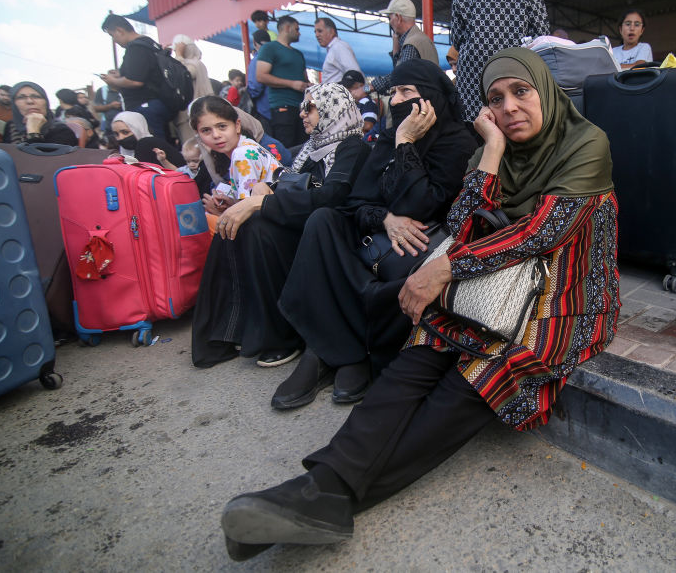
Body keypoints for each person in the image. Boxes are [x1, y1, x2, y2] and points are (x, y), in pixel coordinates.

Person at [218, 48, 619, 561]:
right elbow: (465, 224)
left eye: (522, 91)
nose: (510, 107)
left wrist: (440, 270)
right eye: (496, 98)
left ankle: (327, 496)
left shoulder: (586, 143)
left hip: (565, 293)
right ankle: (322, 488)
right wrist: (492, 148)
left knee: (476, 374)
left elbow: (542, 234)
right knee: (423, 351)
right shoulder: (489, 148)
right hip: (493, 277)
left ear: (546, 90)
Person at [267, 60, 477, 408]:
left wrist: (406, 142)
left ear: (434, 98)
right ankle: (335, 353)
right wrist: (385, 219)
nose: (396, 101)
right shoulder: (386, 137)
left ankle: (328, 352)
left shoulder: (457, 141)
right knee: (323, 220)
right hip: (377, 238)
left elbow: (424, 205)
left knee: (339, 254)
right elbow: (355, 203)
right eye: (393, 92)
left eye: (406, 91)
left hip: (412, 254)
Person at [190, 85, 366, 369]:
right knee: (235, 225)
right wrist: (267, 188)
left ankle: (281, 335)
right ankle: (232, 329)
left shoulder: (352, 146)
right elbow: (294, 183)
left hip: (332, 232)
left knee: (255, 225)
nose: (302, 114)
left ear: (332, 108)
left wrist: (259, 203)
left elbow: (332, 196)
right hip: (303, 221)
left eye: (309, 107)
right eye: (301, 107)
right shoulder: (312, 147)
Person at [192, 96, 285, 216]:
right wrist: (232, 204)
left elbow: (247, 214)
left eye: (222, 126)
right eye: (206, 130)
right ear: (198, 134)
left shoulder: (242, 153)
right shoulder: (244, 146)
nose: (216, 135)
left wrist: (220, 214)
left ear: (237, 125)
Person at [100, 14, 174, 140]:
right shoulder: (149, 44)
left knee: (154, 147)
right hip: (156, 103)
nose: (114, 41)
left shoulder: (137, 47)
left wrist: (113, 81)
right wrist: (120, 74)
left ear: (119, 30)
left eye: (112, 35)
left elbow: (135, 81)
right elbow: (143, 72)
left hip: (146, 106)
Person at [256, 15, 310, 148]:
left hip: (302, 109)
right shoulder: (269, 48)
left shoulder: (298, 54)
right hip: (283, 107)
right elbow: (261, 76)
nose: (299, 33)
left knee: (304, 146)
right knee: (287, 147)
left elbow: (305, 79)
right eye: (297, 29)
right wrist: (292, 84)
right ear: (287, 28)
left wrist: (309, 85)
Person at [369, 0, 440, 95]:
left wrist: (371, 87)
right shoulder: (418, 39)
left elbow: (400, 76)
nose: (389, 22)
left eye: (390, 18)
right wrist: (396, 49)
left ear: (398, 18)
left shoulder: (412, 43)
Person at [2, 82, 77, 145]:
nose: (30, 101)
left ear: (46, 102)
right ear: (14, 104)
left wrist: (33, 132)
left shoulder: (61, 130)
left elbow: (37, 160)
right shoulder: (11, 126)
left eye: (36, 96)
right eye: (21, 97)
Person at [110, 111, 185, 167]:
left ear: (138, 129)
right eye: (116, 134)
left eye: (125, 132)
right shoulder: (123, 153)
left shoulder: (146, 144)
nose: (121, 138)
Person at [315, 17, 362, 84]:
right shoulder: (333, 48)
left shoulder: (338, 47)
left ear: (331, 31)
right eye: (315, 32)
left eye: (320, 31)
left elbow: (355, 74)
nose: (316, 35)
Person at [339, 70, 380, 141]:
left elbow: (368, 125)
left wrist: (344, 124)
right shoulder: (349, 103)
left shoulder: (368, 103)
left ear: (362, 86)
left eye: (350, 88)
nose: (346, 91)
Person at [246, 29, 272, 126]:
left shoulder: (257, 60)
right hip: (281, 111)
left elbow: (255, 88)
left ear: (254, 43)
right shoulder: (276, 57)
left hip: (264, 111)